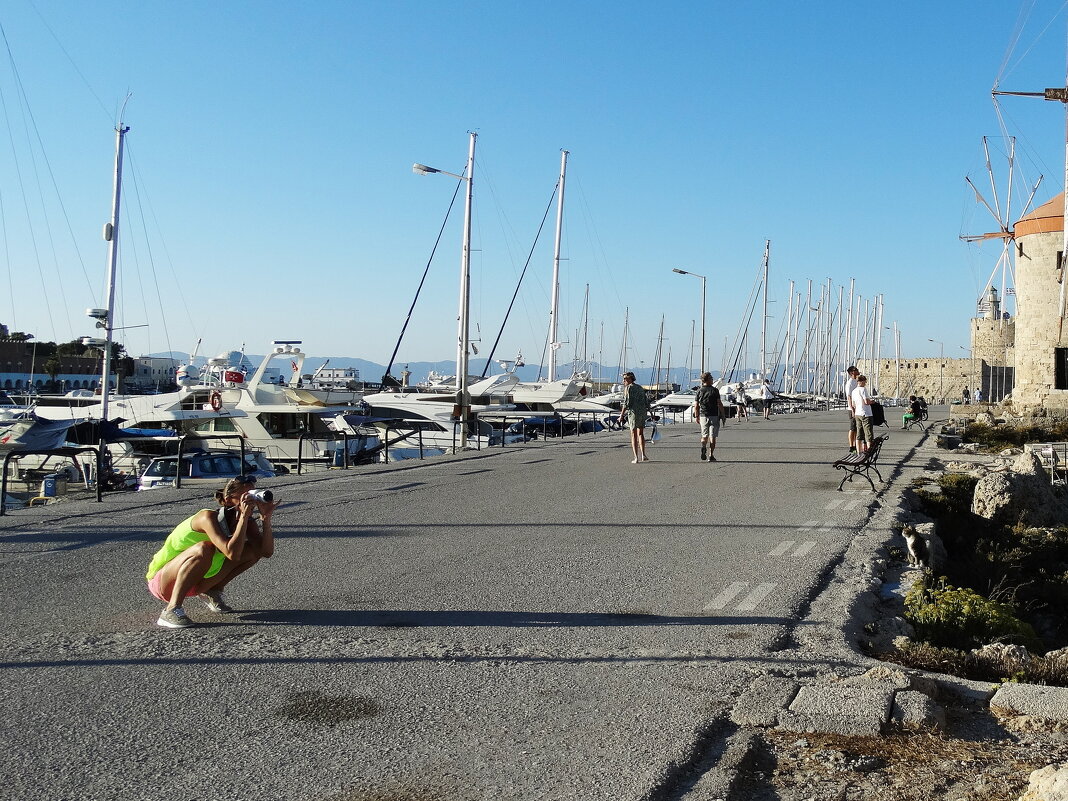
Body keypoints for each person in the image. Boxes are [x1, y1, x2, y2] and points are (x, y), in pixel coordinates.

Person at [146, 476, 279, 628]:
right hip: (164, 582)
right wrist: (243, 516)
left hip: (196, 582)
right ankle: (171, 609)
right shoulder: (206, 517)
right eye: (245, 496)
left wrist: (266, 519)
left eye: (252, 495)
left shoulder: (246, 521)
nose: (250, 501)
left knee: (251, 550)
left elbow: (265, 552)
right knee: (205, 547)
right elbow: (232, 554)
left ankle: (212, 590)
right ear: (228, 500)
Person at [693, 371, 726, 462]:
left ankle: (703, 445)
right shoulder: (715, 390)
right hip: (714, 415)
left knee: (704, 436)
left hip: (703, 415)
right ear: (707, 380)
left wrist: (697, 416)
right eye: (711, 378)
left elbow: (696, 405)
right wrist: (723, 415)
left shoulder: (699, 391)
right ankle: (711, 455)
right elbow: (719, 403)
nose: (712, 380)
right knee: (713, 436)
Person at [618, 371, 649, 464]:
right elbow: (646, 401)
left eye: (625, 379)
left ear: (630, 379)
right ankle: (643, 454)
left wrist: (621, 415)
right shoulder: (640, 388)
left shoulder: (628, 388)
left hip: (633, 413)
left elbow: (626, 403)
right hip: (642, 412)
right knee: (641, 433)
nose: (623, 381)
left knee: (633, 434)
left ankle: (636, 457)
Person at [851, 374, 874, 453]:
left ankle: (858, 452)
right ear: (861, 381)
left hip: (858, 413)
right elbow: (866, 402)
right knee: (868, 433)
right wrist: (872, 402)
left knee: (859, 433)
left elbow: (853, 404)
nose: (865, 383)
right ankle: (869, 451)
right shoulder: (863, 389)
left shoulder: (854, 391)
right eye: (865, 381)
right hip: (866, 413)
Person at [844, 366, 860, 453]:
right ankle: (851, 446)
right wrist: (852, 409)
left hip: (858, 408)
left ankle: (856, 445)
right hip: (852, 408)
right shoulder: (850, 383)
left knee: (857, 428)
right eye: (856, 370)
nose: (858, 371)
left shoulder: (856, 382)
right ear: (852, 372)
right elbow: (849, 397)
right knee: (853, 428)